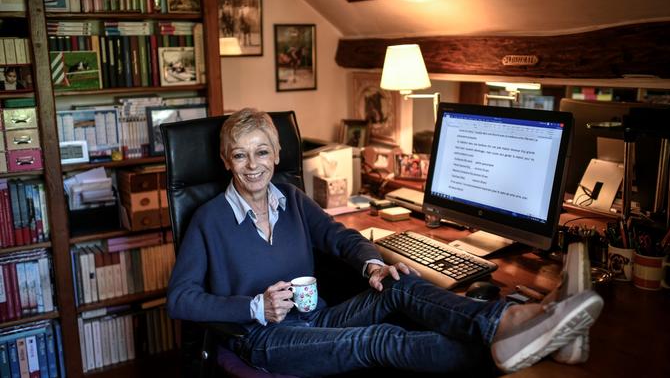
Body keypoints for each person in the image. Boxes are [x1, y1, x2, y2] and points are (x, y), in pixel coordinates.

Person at [167, 108, 604, 376]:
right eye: (240, 154)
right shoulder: (209, 220)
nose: (253, 165)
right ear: (226, 161)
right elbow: (180, 299)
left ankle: (511, 325)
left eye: (262, 152)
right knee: (377, 340)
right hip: (263, 338)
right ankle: (526, 345)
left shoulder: (292, 200)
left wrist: (372, 265)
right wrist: (253, 307)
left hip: (319, 319)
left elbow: (341, 237)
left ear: (278, 155)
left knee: (399, 283)